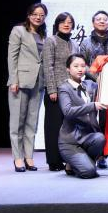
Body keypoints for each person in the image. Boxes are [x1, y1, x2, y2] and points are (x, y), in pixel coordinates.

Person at [7, 3, 47, 172]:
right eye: (35, 14)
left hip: (38, 82)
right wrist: (13, 80)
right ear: (29, 15)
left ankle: (29, 156)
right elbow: (12, 57)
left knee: (32, 122)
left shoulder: (43, 34)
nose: (38, 17)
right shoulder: (19, 31)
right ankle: (17, 158)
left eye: (42, 15)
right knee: (17, 122)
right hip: (21, 81)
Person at [79, 10, 108, 169]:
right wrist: (96, 77)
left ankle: (102, 155)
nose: (102, 21)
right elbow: (83, 64)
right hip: (90, 85)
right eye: (98, 19)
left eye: (105, 19)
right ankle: (89, 153)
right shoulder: (86, 43)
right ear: (93, 22)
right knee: (89, 120)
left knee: (105, 121)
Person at [58, 54, 107, 179]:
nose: (80, 69)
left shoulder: (90, 85)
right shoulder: (64, 88)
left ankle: (82, 162)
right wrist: (92, 106)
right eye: (75, 66)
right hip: (70, 142)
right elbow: (68, 111)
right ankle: (74, 163)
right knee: (89, 172)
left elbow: (106, 86)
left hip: (88, 138)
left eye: (83, 66)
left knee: (100, 138)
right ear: (68, 69)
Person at [42, 12, 79, 172]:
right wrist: (51, 89)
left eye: (69, 22)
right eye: (63, 22)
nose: (66, 24)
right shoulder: (51, 41)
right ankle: (53, 160)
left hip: (70, 91)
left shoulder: (74, 43)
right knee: (54, 127)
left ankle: (67, 159)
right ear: (57, 24)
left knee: (68, 127)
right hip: (56, 90)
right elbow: (48, 66)